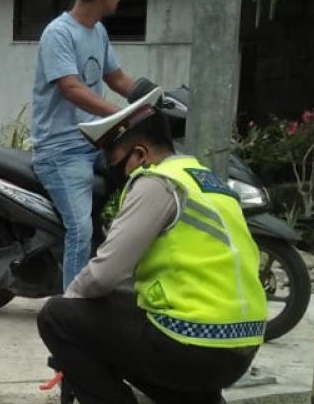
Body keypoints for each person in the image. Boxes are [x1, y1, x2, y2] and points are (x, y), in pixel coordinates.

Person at [37, 88, 267, 404]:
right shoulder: (205, 180)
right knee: (136, 324)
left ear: (141, 154)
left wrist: (71, 300)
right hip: (241, 345)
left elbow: (104, 274)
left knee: (57, 316)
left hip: (192, 342)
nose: (116, 171)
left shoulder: (156, 183)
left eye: (116, 161)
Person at [31, 0, 136, 289]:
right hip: (61, 148)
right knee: (81, 228)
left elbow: (118, 80)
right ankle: (72, 306)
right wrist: (122, 114)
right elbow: (71, 88)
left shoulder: (98, 31)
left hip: (94, 142)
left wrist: (158, 99)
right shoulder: (59, 33)